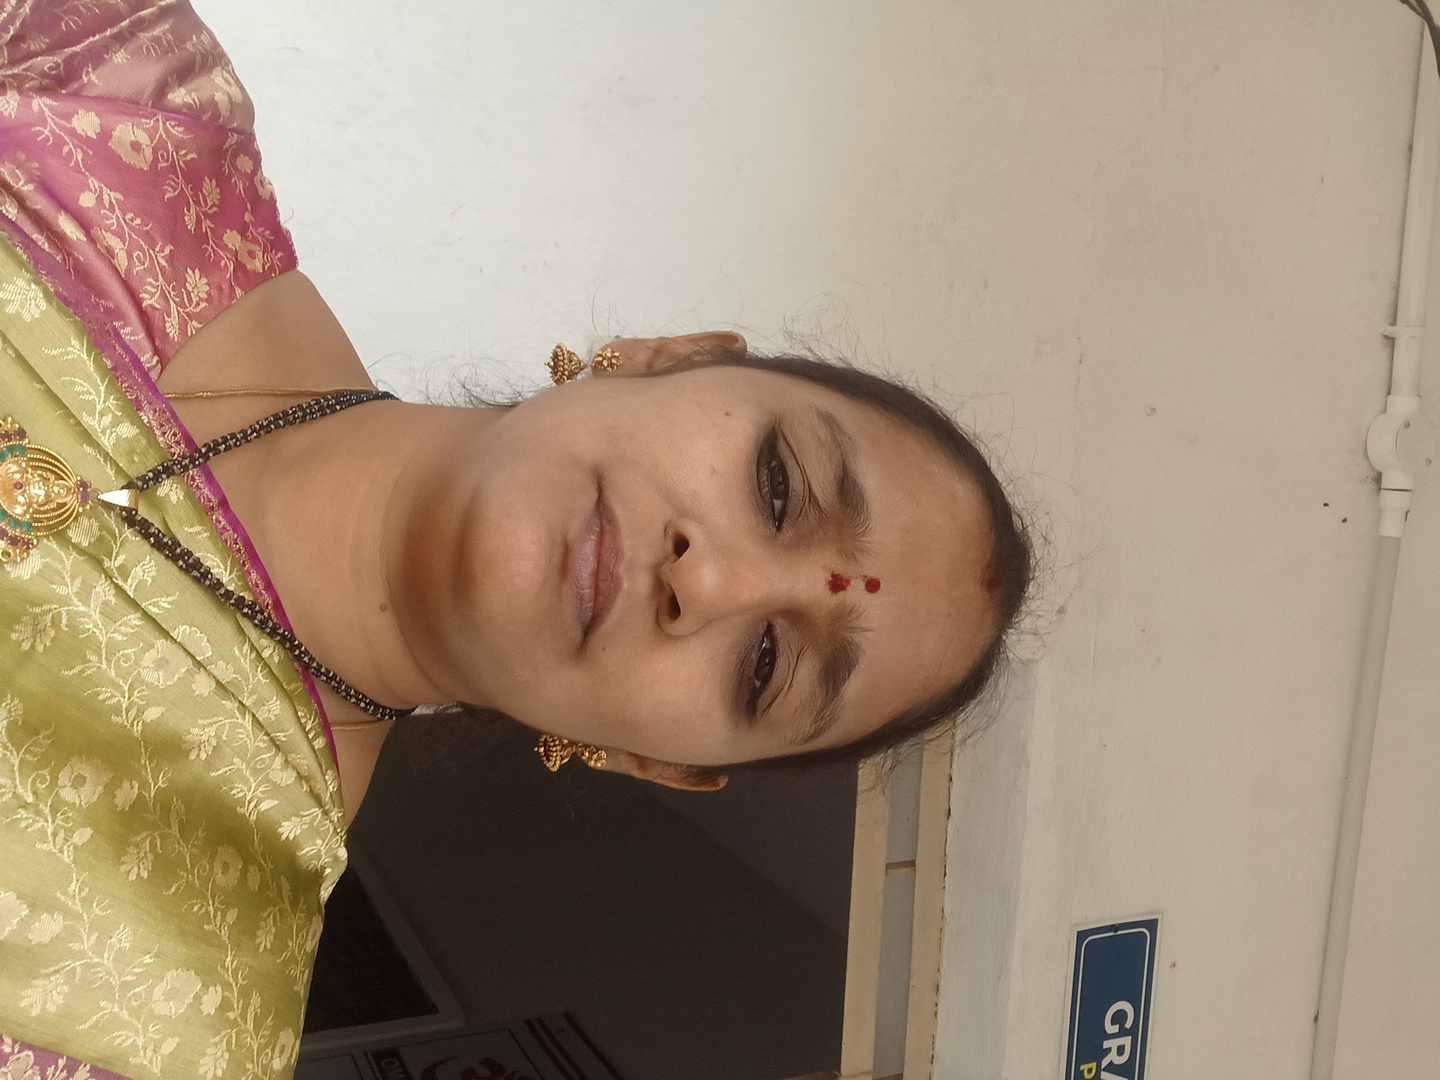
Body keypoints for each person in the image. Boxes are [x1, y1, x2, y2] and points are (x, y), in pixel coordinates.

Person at [0, 2, 1033, 1077]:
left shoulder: (161, 1006)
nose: (712, 582)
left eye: (767, 666)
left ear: (656, 762)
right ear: (668, 356)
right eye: (779, 485)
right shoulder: (116, 87)